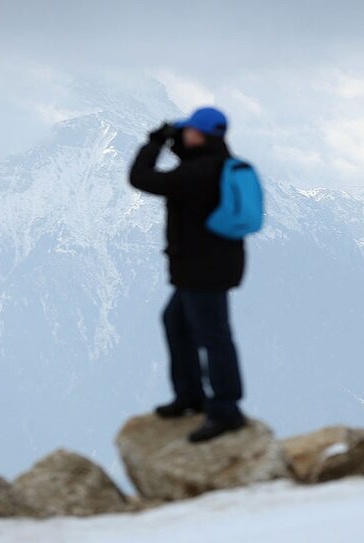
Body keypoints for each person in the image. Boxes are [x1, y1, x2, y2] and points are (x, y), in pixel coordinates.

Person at [129, 107, 249, 443]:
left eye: (187, 132)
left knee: (214, 338)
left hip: (202, 272)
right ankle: (191, 396)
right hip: (203, 270)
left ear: (199, 135)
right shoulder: (217, 164)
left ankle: (226, 410)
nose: (182, 136)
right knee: (176, 323)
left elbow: (141, 178)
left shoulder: (197, 173)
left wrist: (154, 144)